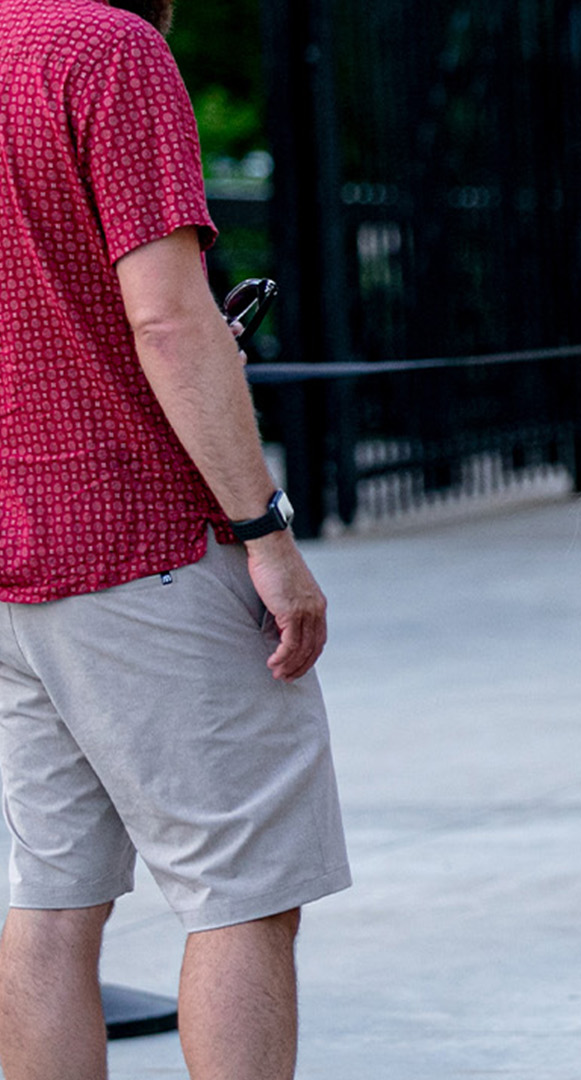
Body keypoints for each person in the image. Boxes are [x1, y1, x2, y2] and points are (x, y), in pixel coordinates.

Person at [0, 1, 353, 1078]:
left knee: (54, 898)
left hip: (16, 545)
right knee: (245, 891)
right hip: (140, 529)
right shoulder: (109, 50)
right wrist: (266, 531)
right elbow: (167, 315)